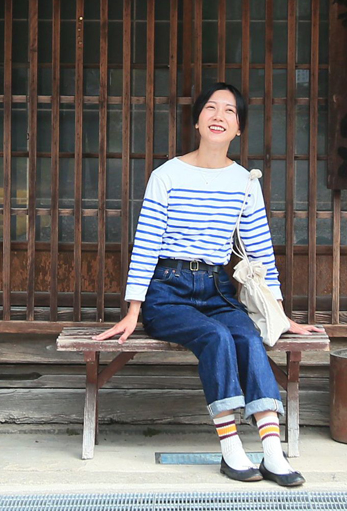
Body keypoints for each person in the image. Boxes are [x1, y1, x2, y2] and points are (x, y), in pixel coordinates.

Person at [94, 82, 325, 485]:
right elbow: (146, 241)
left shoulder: (244, 181)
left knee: (249, 338)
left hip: (218, 289)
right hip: (169, 291)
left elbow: (258, 252)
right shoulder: (167, 174)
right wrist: (134, 309)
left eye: (230, 112)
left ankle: (272, 454)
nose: (220, 116)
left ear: (238, 129)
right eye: (212, 109)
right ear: (197, 120)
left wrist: (280, 315)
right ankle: (232, 449)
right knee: (216, 338)